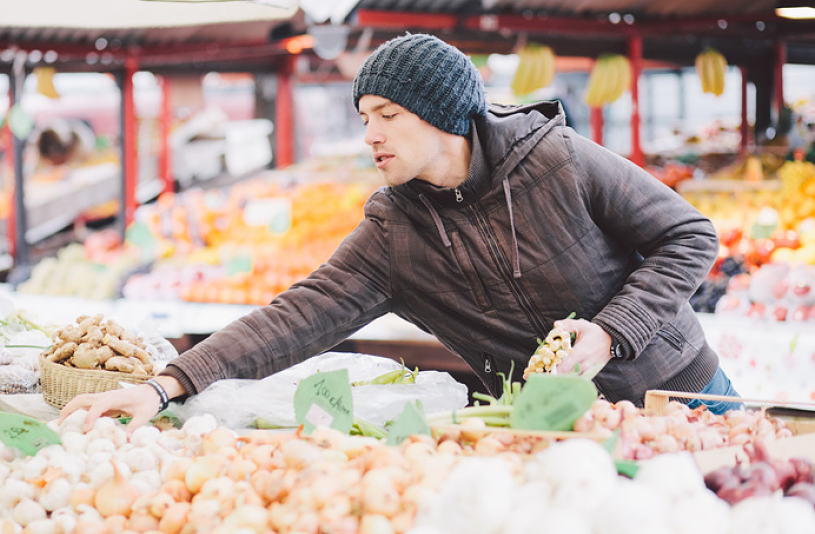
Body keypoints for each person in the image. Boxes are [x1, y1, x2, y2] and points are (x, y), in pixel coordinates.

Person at [60, 33, 740, 432]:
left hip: (681, 393)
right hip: (559, 430)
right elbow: (295, 315)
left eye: (387, 113)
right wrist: (166, 384)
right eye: (364, 117)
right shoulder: (393, 231)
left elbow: (690, 236)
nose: (370, 134)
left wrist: (612, 328)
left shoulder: (555, 159)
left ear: (444, 114)